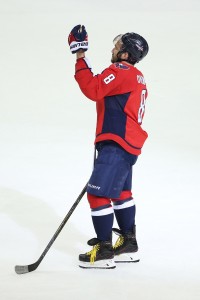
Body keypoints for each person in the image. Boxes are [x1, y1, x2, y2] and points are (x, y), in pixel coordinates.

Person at [68, 25, 149, 269]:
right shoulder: (138, 76)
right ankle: (128, 244)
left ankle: (104, 250)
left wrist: (80, 55)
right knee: (121, 193)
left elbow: (93, 89)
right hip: (128, 144)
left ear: (125, 55)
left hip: (116, 141)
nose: (113, 50)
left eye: (117, 47)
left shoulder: (121, 70)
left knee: (97, 193)